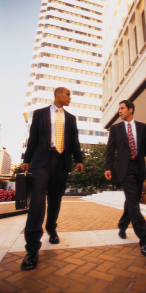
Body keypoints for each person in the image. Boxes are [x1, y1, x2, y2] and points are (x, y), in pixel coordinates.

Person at [21, 87, 83, 270]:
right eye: (68, 94)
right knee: (38, 200)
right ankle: (32, 248)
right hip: (41, 160)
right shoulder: (40, 114)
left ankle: (51, 228)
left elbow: (74, 142)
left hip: (62, 160)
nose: (70, 97)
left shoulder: (71, 118)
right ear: (58, 94)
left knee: (55, 198)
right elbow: (32, 139)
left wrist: (79, 160)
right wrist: (26, 160)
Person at [104, 100, 146, 258]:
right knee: (133, 202)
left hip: (139, 168)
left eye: (122, 108)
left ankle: (122, 225)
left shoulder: (143, 127)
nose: (119, 111)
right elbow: (110, 149)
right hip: (125, 169)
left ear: (130, 110)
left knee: (132, 200)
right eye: (118, 109)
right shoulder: (115, 128)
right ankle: (145, 240)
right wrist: (107, 167)